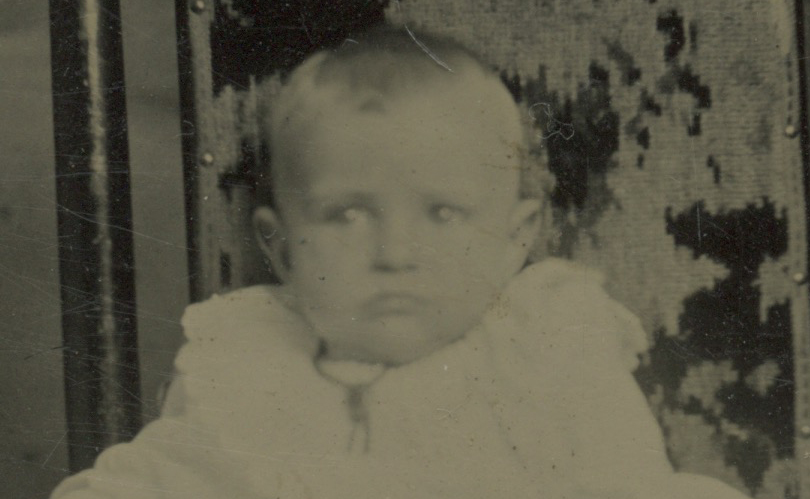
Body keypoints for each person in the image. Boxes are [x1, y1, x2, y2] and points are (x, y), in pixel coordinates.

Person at [51, 26, 751, 498]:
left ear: (516, 237)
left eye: (442, 213)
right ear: (280, 245)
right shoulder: (247, 364)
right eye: (347, 214)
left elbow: (632, 486)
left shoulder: (546, 351)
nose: (395, 254)